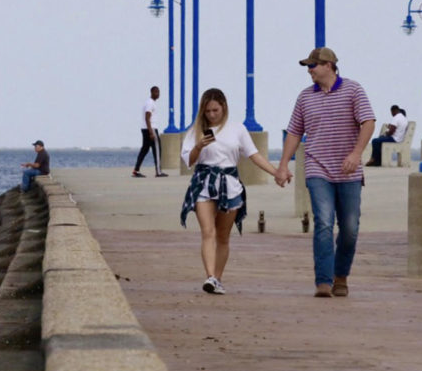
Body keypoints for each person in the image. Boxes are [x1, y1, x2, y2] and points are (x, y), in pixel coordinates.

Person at [274, 47, 375, 298]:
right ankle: (323, 281)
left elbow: (368, 122)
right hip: (317, 167)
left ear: (328, 65)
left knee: (350, 228)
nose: (309, 71)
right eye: (308, 66)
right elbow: (295, 132)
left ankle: (341, 276)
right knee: (324, 222)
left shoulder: (353, 90)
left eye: (313, 66)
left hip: (348, 171)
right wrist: (283, 164)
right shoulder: (305, 97)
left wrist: (356, 153)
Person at [180, 88, 281, 295]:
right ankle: (209, 276)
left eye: (215, 110)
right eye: (207, 111)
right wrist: (199, 146)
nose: (212, 115)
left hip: (230, 183)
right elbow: (189, 161)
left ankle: (217, 278)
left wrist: (276, 173)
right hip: (204, 182)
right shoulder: (195, 131)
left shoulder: (237, 129)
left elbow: (254, 155)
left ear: (224, 107)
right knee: (207, 232)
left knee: (223, 236)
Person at [132, 86, 167, 178]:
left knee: (144, 149)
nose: (158, 94)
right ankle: (158, 172)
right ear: (151, 92)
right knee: (157, 149)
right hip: (151, 129)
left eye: (158, 92)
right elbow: (147, 117)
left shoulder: (149, 103)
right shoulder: (150, 103)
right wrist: (151, 132)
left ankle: (136, 170)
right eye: (156, 92)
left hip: (145, 129)